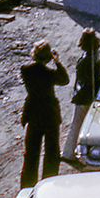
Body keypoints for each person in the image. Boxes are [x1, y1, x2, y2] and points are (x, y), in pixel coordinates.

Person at [19, 40, 68, 188]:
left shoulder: (25, 71)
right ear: (48, 57)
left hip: (33, 112)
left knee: (31, 152)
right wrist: (57, 62)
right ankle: (49, 182)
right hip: (49, 113)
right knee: (52, 151)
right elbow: (65, 80)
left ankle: (27, 184)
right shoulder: (50, 74)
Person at [61, 28, 100, 161]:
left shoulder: (86, 60)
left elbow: (81, 79)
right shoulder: (99, 55)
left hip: (83, 96)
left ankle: (69, 153)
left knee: (77, 124)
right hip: (95, 94)